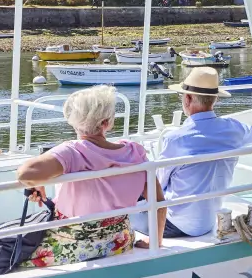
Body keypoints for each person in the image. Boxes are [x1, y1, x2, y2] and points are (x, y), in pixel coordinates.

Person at [16, 85, 166, 267]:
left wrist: (38, 180)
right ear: (107, 122)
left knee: (4, 254)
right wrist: (155, 241)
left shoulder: (71, 152)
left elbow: (25, 173)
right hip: (120, 241)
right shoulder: (135, 152)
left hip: (74, 244)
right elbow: (158, 203)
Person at [132, 67, 252, 239]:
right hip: (209, 221)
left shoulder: (176, 139)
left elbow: (157, 185)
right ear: (215, 99)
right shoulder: (234, 130)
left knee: (123, 201)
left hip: (173, 224)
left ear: (188, 98)